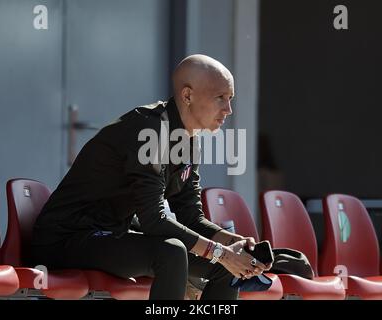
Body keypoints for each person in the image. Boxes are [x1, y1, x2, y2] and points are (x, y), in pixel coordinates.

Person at [31, 54, 270, 300]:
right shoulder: (149, 130)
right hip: (66, 240)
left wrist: (236, 245)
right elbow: (153, 220)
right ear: (187, 96)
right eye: (220, 98)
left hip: (109, 235)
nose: (228, 110)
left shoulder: (189, 140)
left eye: (230, 99)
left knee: (226, 267)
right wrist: (220, 251)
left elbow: (191, 216)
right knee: (171, 253)